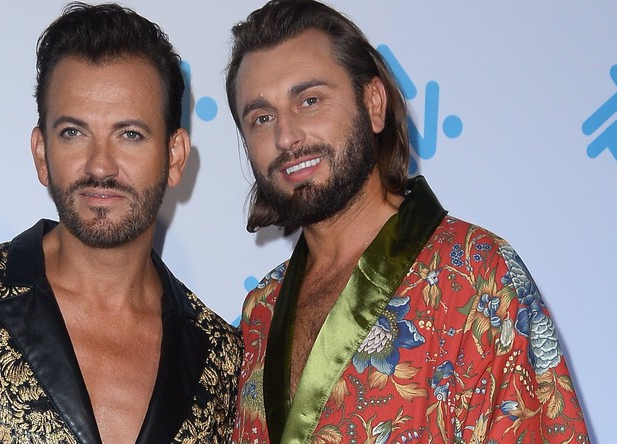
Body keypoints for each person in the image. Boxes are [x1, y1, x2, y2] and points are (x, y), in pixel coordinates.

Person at [0, 3, 242, 443]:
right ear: (41, 153)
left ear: (174, 156)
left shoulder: (221, 354)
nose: (100, 165)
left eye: (129, 134)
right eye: (73, 132)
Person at [225, 1, 590, 442]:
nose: (286, 136)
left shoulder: (475, 275)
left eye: (310, 100)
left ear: (373, 104)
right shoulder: (260, 310)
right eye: (262, 118)